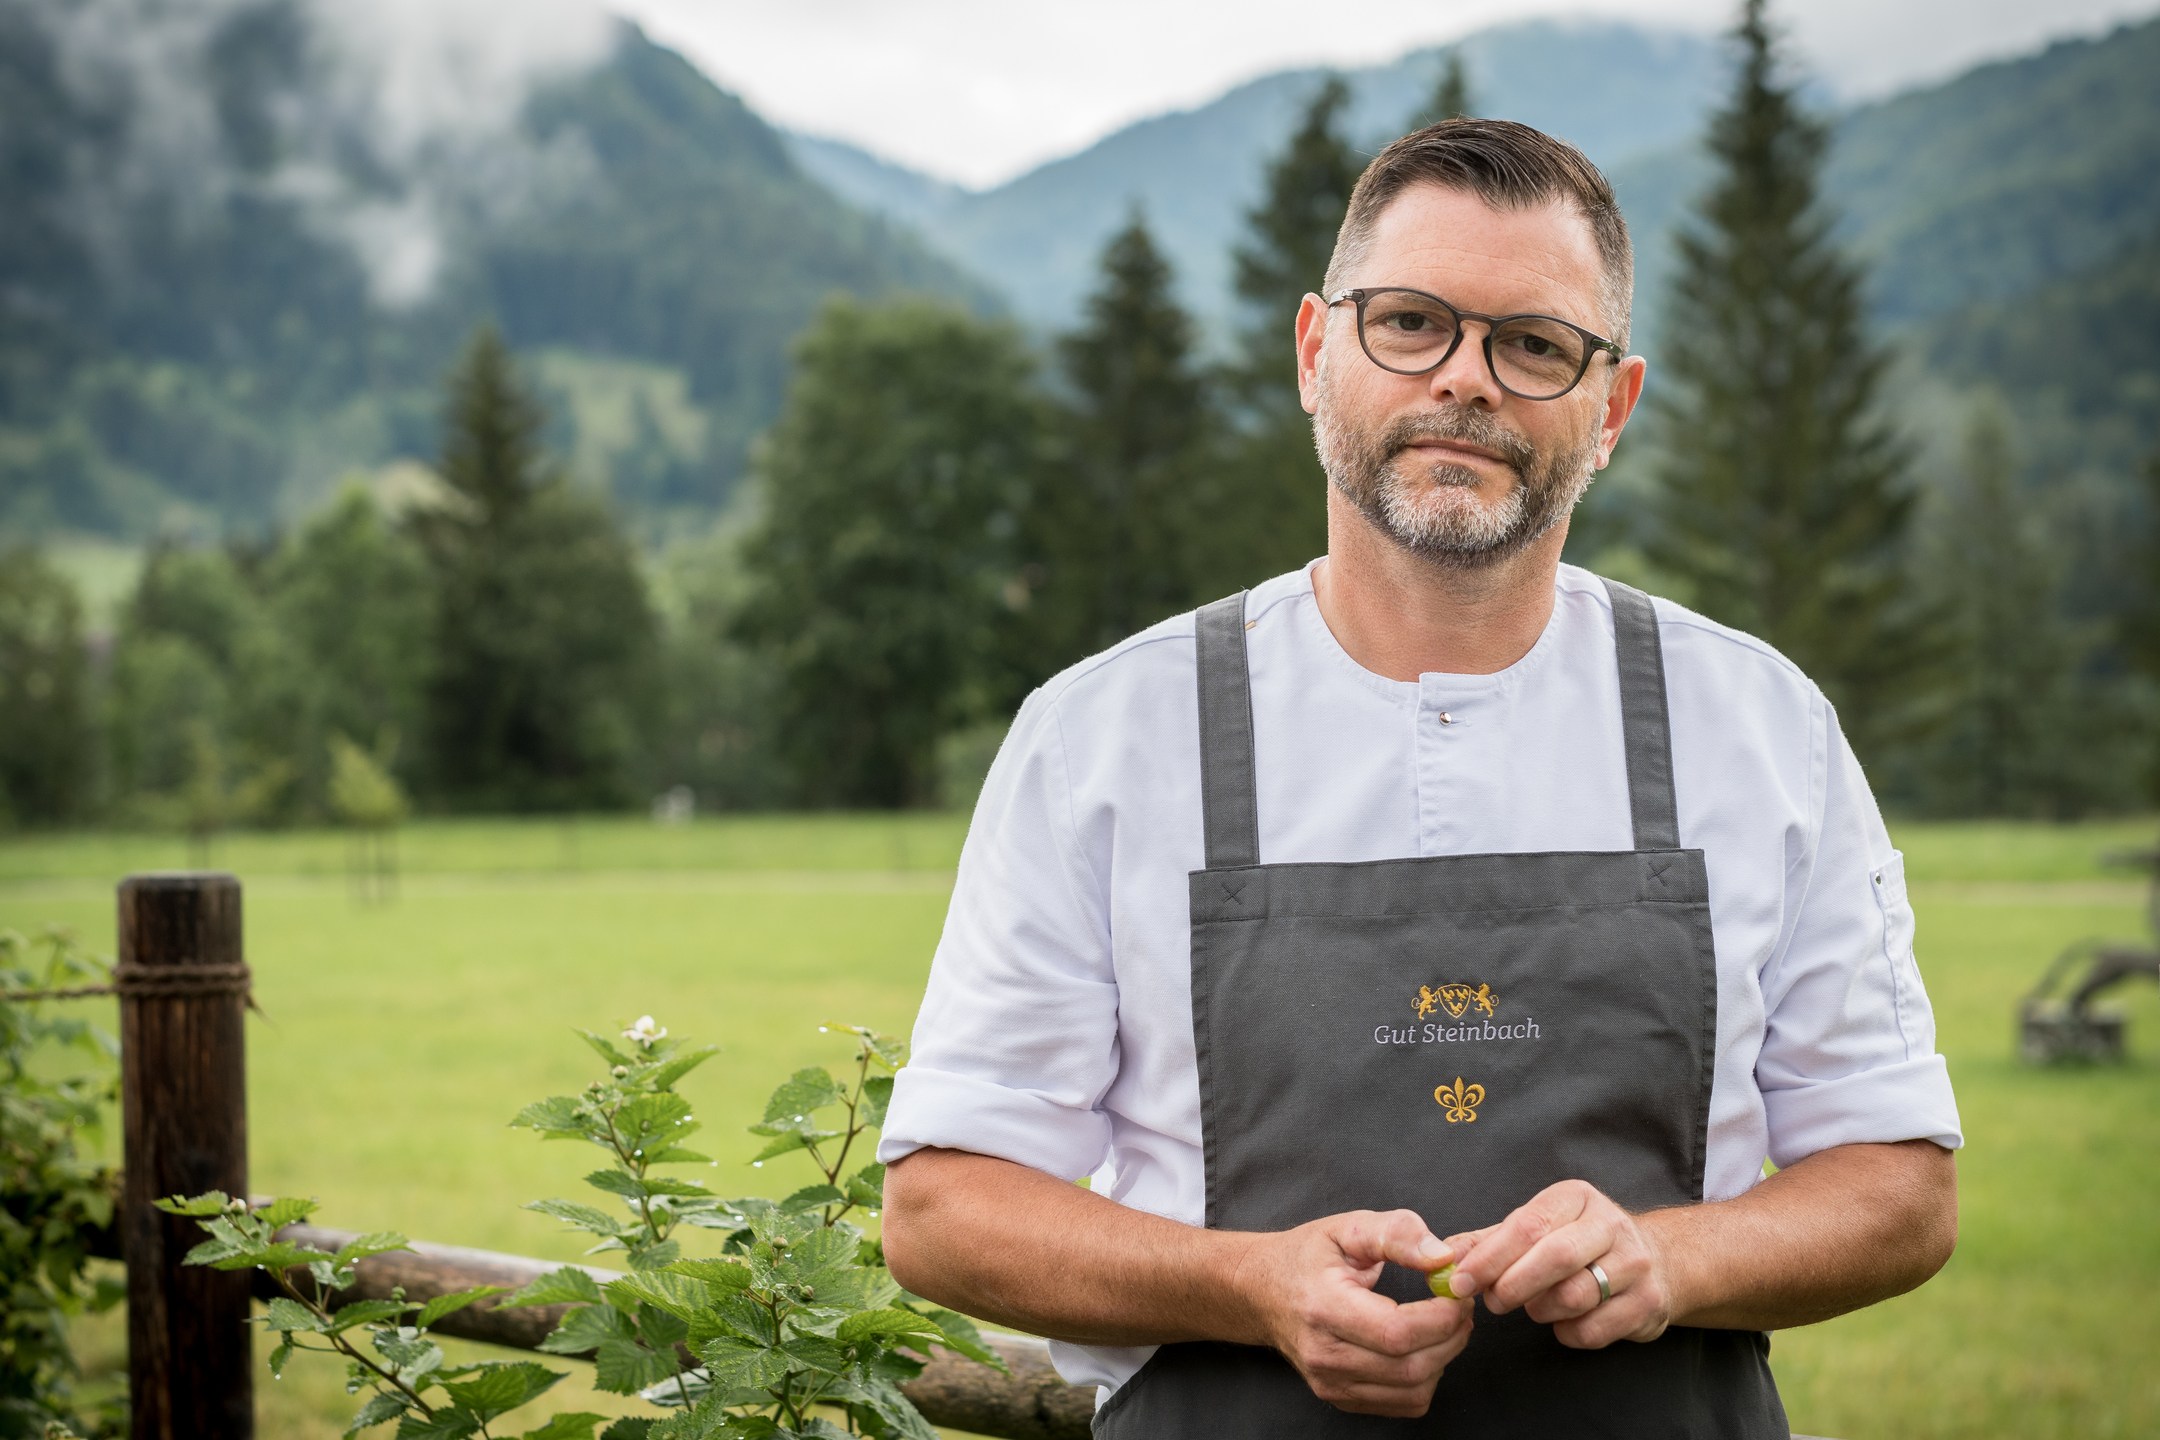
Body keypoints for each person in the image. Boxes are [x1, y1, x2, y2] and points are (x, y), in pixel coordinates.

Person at [877, 118, 1961, 1437]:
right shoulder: (1101, 735)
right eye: (1410, 323)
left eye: (1535, 344)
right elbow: (944, 1210)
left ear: (1610, 406)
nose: (1467, 380)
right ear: (1314, 352)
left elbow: (1900, 1185)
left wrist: (1677, 1259)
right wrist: (1248, 1284)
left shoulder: (1761, 728)